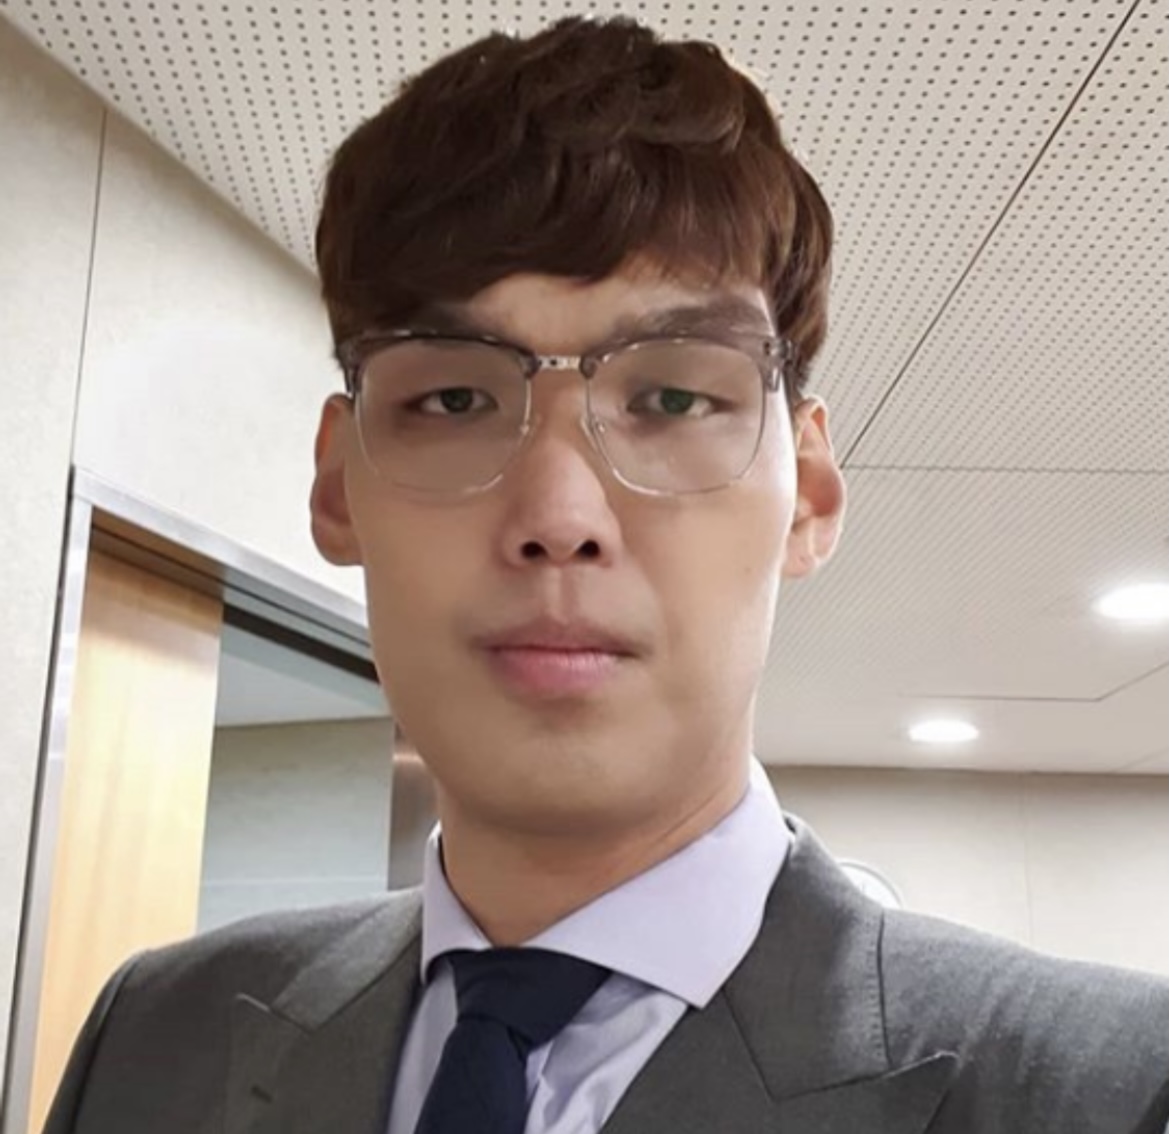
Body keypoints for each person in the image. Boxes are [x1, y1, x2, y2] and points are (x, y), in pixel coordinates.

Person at [45, 15, 1169, 1134]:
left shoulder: (1109, 1093)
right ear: (339, 487)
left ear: (809, 496)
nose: (557, 518)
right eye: (453, 397)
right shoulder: (155, 1037)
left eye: (674, 397)